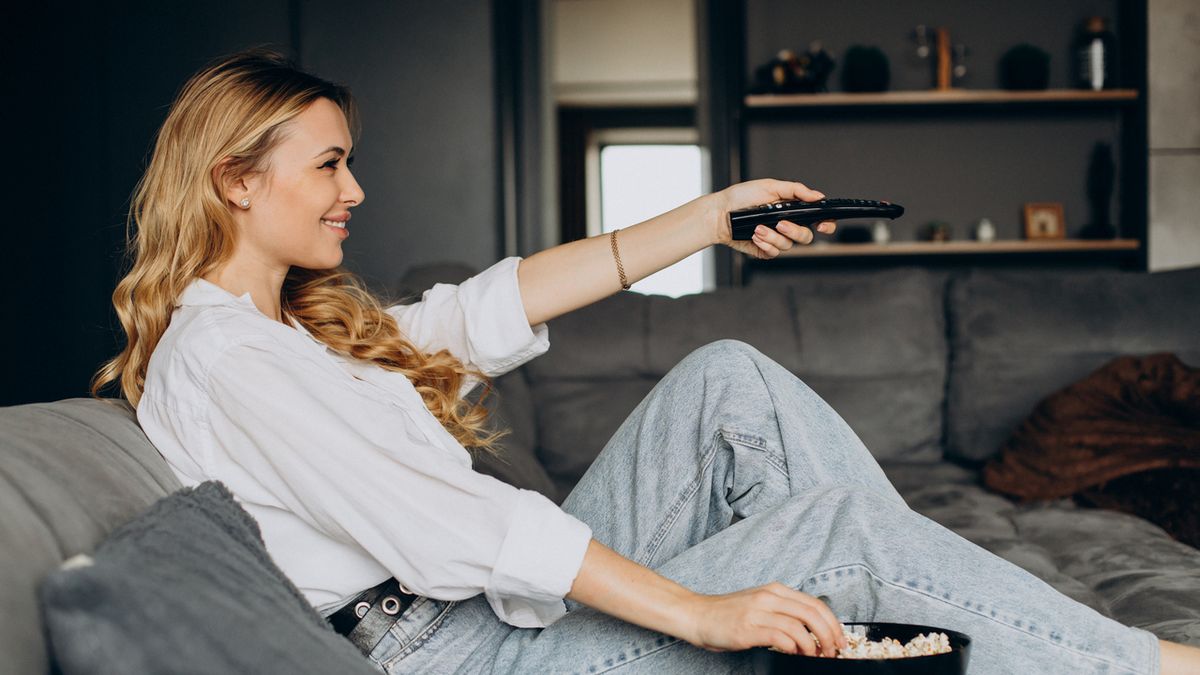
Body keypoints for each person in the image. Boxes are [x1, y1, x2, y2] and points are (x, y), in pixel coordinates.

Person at [91, 47, 1199, 675]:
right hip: (448, 657)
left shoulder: (291, 330)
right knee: (838, 533)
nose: (355, 191)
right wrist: (702, 612)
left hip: (471, 618)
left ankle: (906, 636)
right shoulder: (226, 358)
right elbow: (458, 527)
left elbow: (482, 311)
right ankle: (1144, 667)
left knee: (729, 380)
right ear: (237, 180)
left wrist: (711, 216)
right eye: (330, 165)